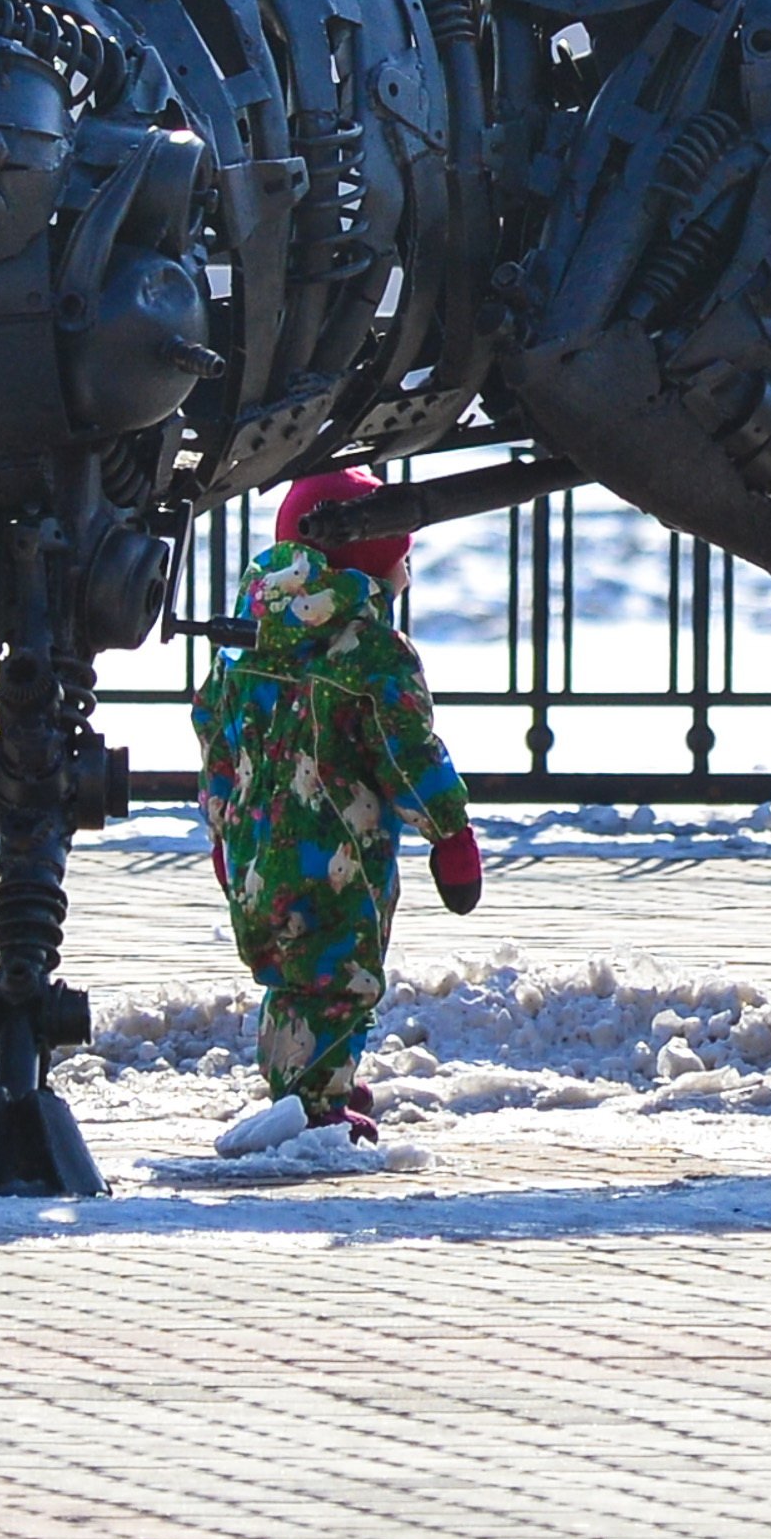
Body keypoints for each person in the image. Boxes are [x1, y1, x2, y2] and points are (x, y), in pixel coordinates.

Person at [193, 470, 489, 1137]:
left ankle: (301, 1090)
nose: (408, 570)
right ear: (372, 559)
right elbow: (408, 752)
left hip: (251, 846)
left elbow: (215, 731)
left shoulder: (246, 635)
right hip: (337, 851)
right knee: (337, 974)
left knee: (288, 975)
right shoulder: (372, 650)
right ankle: (317, 1108)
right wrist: (451, 836)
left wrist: (220, 827)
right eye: (402, 557)